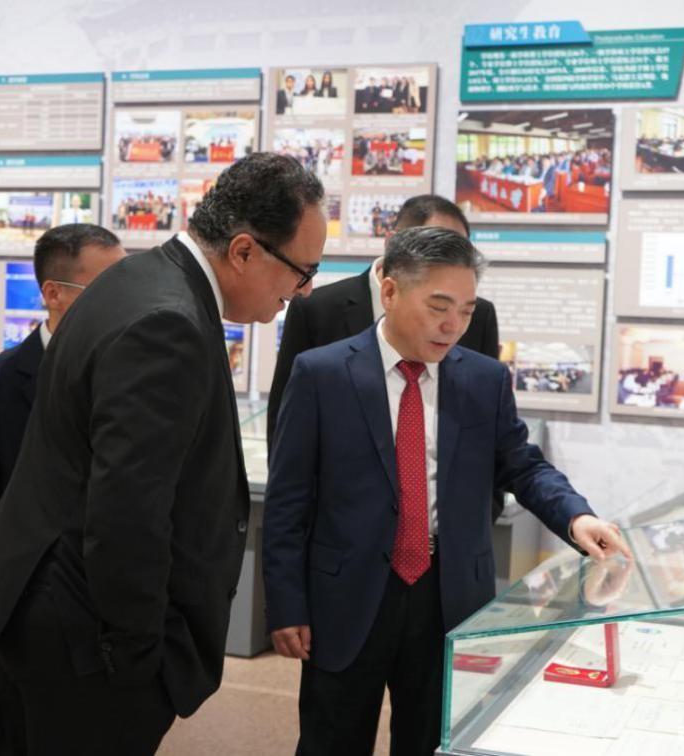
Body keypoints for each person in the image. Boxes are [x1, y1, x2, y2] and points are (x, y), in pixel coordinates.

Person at [0, 153, 326, 755]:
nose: (303, 290)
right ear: (243, 251)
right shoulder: (168, 323)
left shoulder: (141, 278)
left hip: (53, 605)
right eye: (303, 270)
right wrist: (137, 656)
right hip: (85, 638)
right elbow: (126, 513)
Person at [262, 227, 630, 755]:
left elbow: (523, 466)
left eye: (466, 310)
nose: (453, 325)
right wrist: (285, 603)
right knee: (332, 739)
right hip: (346, 595)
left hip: (449, 594)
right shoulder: (323, 374)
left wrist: (577, 518)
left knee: (434, 741)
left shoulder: (483, 380)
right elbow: (288, 500)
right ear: (390, 291)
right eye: (438, 307)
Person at [0, 224, 125, 756]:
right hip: (10, 609)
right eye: (106, 288)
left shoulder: (132, 382)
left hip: (103, 618)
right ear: (53, 294)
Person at [267, 195, 499, 451]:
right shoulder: (318, 309)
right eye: (435, 250)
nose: (452, 325)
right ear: (392, 242)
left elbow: (488, 427)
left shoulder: (479, 316)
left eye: (458, 251)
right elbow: (286, 423)